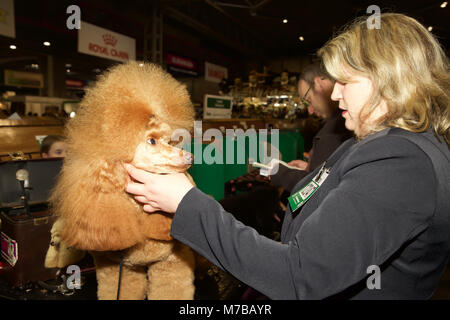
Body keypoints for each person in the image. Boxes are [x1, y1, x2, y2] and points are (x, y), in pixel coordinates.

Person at [124, 13, 450, 299]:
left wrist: (186, 202)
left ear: (387, 80)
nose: (335, 94)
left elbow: (299, 275)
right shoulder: (379, 143)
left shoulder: (399, 162)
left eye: (346, 81)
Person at [270, 62, 353, 193]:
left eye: (309, 100)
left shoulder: (334, 132)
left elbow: (314, 190)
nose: (310, 111)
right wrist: (311, 167)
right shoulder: (340, 124)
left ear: (320, 84)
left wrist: (279, 173)